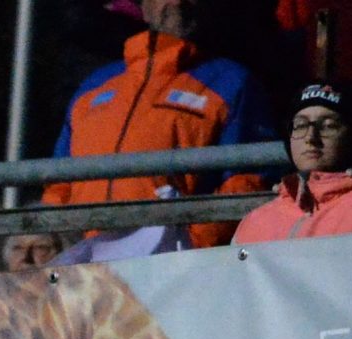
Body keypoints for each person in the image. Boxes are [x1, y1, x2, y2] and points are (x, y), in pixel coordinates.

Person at [43, 0, 274, 250]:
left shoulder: (232, 81)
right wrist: (53, 239)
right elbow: (60, 181)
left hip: (169, 263)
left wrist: (188, 244)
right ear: (143, 7)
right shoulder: (95, 84)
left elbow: (247, 181)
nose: (177, 2)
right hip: (86, 261)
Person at [232, 77, 352, 239]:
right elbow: (239, 256)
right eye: (300, 125)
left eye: (328, 126)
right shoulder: (254, 222)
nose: (310, 137)